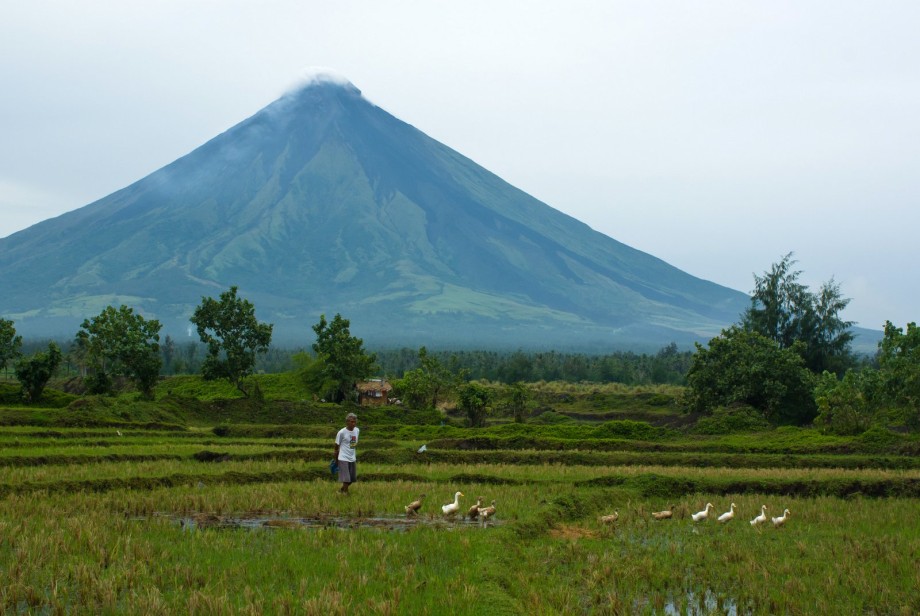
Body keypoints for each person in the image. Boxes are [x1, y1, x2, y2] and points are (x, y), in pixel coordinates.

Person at [334, 412, 359, 494]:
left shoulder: (357, 430)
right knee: (346, 478)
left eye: (355, 421)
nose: (354, 423)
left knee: (352, 479)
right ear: (347, 422)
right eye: (352, 422)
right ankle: (345, 493)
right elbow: (336, 446)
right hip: (343, 457)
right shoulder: (341, 432)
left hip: (352, 457)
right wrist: (336, 459)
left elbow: (353, 444)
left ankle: (341, 490)